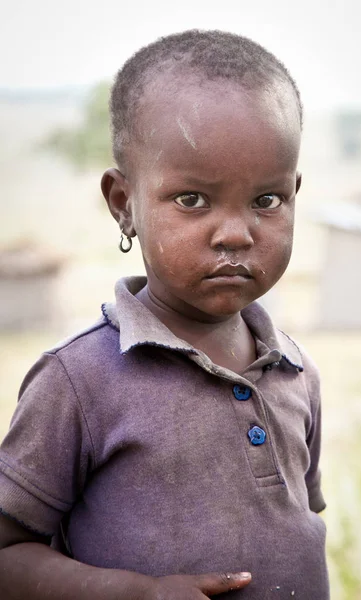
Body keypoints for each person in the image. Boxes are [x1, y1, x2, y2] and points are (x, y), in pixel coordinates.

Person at [0, 30, 329, 599]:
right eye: (192, 200)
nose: (235, 233)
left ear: (294, 193)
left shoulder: (294, 371)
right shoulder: (79, 382)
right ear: (124, 205)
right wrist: (135, 592)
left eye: (267, 200)